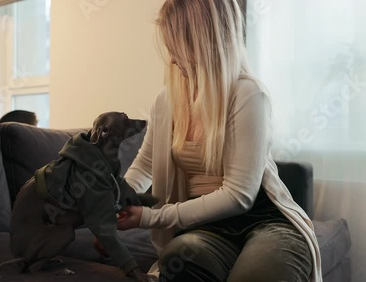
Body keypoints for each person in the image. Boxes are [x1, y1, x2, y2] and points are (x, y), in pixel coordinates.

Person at [116, 0, 322, 281]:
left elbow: (239, 195)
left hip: (265, 221)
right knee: (179, 256)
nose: (173, 59)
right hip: (207, 228)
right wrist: (115, 204)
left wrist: (149, 217)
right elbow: (145, 164)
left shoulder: (248, 95)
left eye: (178, 46)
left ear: (205, 41)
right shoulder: (166, 100)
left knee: (256, 275)